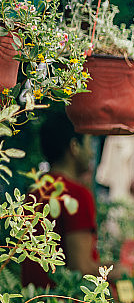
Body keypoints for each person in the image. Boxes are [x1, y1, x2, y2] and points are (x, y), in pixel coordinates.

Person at [21, 113, 122, 287]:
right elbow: (80, 269)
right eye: (89, 144)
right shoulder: (76, 195)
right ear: (75, 147)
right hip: (64, 302)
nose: (91, 153)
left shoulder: (34, 192)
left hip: (33, 300)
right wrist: (119, 271)